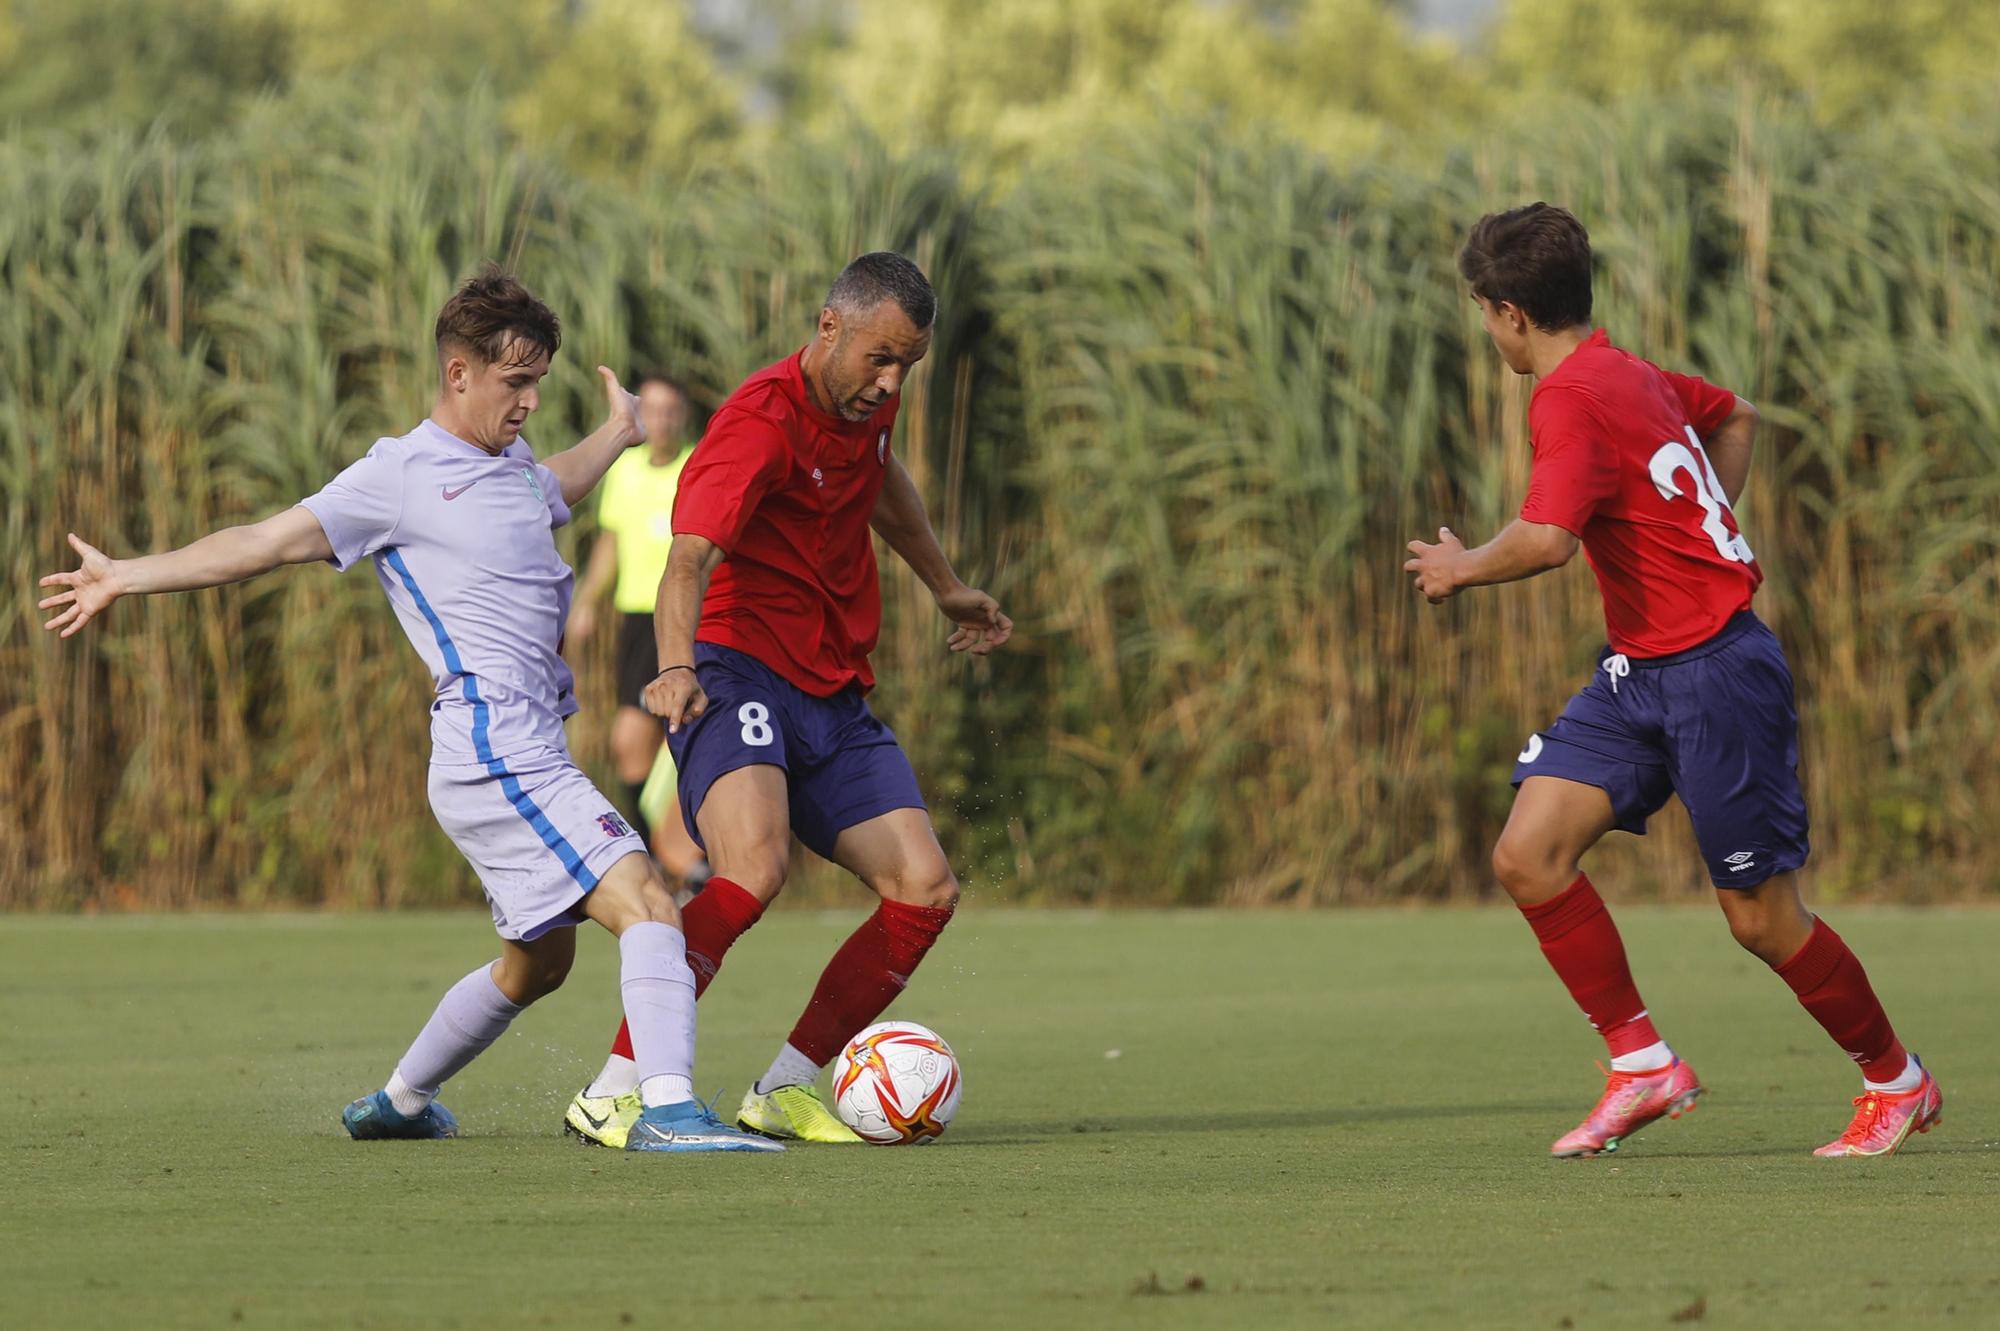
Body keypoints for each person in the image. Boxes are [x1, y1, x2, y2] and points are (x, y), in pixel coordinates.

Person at [38, 265, 780, 1155]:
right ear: (458, 373)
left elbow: (555, 487)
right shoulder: (397, 476)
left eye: (539, 381)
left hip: (523, 745)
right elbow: (262, 543)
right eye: (515, 381)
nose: (529, 400)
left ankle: (399, 1099)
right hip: (492, 742)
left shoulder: (509, 466)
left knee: (539, 963)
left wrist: (618, 433)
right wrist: (128, 573)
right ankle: (664, 1109)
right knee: (650, 898)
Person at [1405, 204, 1940, 1159]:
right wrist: (1696, 531)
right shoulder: (1630, 371)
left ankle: (1896, 1080)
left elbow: (1548, 541)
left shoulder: (1570, 395)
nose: (1485, 330)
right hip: (1640, 673)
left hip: (1718, 674)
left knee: (1761, 920)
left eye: (1483, 312)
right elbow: (1732, 413)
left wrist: (1459, 567)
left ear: (1510, 312)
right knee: (1528, 852)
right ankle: (1643, 1062)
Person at [563, 252, 1011, 1148]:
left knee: (924, 888)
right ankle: (616, 1088)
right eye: (879, 359)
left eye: (907, 368)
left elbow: (885, 484)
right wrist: (678, 665)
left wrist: (946, 585)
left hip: (835, 687)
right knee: (752, 866)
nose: (888, 385)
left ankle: (785, 1087)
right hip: (735, 667)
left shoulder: (865, 413)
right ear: (828, 325)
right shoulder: (758, 422)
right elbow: (686, 556)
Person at [567, 371, 706, 885]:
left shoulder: (698, 468)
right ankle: (656, 857)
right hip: (634, 620)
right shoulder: (624, 471)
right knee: (630, 745)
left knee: (671, 738)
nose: (660, 419)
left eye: (671, 410)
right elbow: (611, 544)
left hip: (683, 617)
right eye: (650, 409)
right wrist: (586, 601)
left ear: (683, 416)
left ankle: (681, 854)